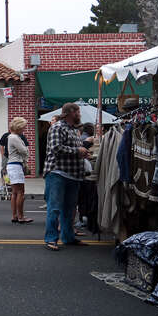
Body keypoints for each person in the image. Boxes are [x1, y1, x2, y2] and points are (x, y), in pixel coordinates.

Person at [43, 102, 89, 251]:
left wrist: (82, 151)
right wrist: (78, 151)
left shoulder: (72, 130)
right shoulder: (58, 127)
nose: (80, 115)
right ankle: (51, 239)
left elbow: (73, 149)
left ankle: (68, 237)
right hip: (58, 173)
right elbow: (56, 148)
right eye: (78, 112)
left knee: (69, 210)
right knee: (55, 208)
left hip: (72, 174)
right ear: (71, 113)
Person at [7, 117, 31, 224]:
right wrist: (27, 149)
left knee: (15, 192)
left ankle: (15, 216)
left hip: (12, 165)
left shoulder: (11, 137)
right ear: (19, 126)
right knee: (20, 192)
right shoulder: (14, 137)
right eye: (23, 127)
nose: (24, 129)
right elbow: (23, 150)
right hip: (16, 165)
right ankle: (20, 216)